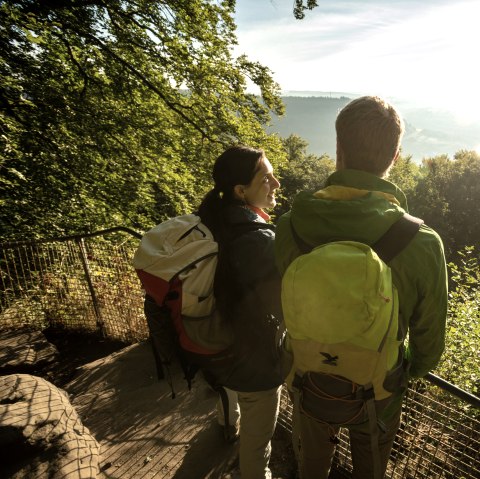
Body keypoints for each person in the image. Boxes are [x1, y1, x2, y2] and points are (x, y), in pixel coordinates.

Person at [274, 96, 448, 479]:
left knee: (312, 467)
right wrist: (403, 370)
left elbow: (280, 303)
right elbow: (429, 344)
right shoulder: (421, 243)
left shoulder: (289, 226)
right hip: (379, 391)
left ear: (338, 148)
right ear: (397, 156)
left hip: (307, 378)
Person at [197, 145, 287, 479]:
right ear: (241, 191)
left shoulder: (210, 219)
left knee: (229, 391)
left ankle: (225, 422)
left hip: (216, 341)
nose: (276, 183)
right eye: (266, 177)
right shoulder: (258, 239)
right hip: (254, 361)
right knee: (257, 441)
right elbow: (282, 306)